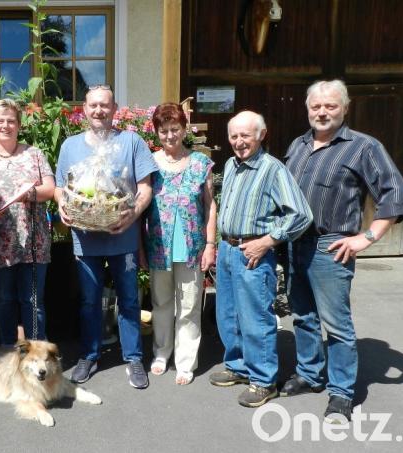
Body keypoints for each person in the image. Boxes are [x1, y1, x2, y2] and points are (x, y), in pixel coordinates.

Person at [281, 80, 403, 423]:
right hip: (295, 245)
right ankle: (309, 375)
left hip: (331, 247)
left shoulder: (363, 147)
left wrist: (366, 237)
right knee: (303, 317)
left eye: (330, 106)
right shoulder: (298, 144)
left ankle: (340, 393)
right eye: (316, 107)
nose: (322, 112)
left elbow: (395, 194)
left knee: (336, 325)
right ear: (308, 109)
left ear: (345, 108)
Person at [54, 85, 158, 389]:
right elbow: (61, 187)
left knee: (128, 299)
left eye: (105, 105)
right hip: (85, 238)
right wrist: (62, 205)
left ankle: (134, 357)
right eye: (93, 105)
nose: (99, 111)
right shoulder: (70, 146)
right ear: (84, 109)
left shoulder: (132, 142)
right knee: (89, 300)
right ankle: (89, 354)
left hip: (122, 236)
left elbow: (146, 186)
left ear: (115, 109)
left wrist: (132, 214)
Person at [209, 110, 312, 408]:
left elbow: (301, 214)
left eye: (245, 135)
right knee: (228, 315)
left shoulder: (273, 169)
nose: (239, 142)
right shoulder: (230, 165)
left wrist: (266, 242)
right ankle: (240, 367)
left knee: (256, 318)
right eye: (234, 136)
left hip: (253, 252)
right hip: (229, 251)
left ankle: (263, 380)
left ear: (261, 135)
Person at [0, 98, 55, 347]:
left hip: (33, 242)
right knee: (5, 298)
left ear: (19, 125)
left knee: (33, 301)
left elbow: (50, 188)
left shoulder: (34, 155)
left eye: (11, 121)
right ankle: (8, 349)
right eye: (1, 120)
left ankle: (38, 350)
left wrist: (30, 194)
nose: (6, 125)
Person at [141, 102, 216, 386]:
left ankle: (185, 361)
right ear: (156, 132)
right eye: (163, 131)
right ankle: (161, 353)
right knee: (161, 303)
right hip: (158, 246)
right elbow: (141, 209)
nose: (170, 136)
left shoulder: (200, 163)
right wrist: (139, 248)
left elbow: (210, 206)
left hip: (192, 248)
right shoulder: (149, 163)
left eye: (175, 129)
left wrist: (210, 244)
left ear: (184, 129)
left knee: (189, 306)